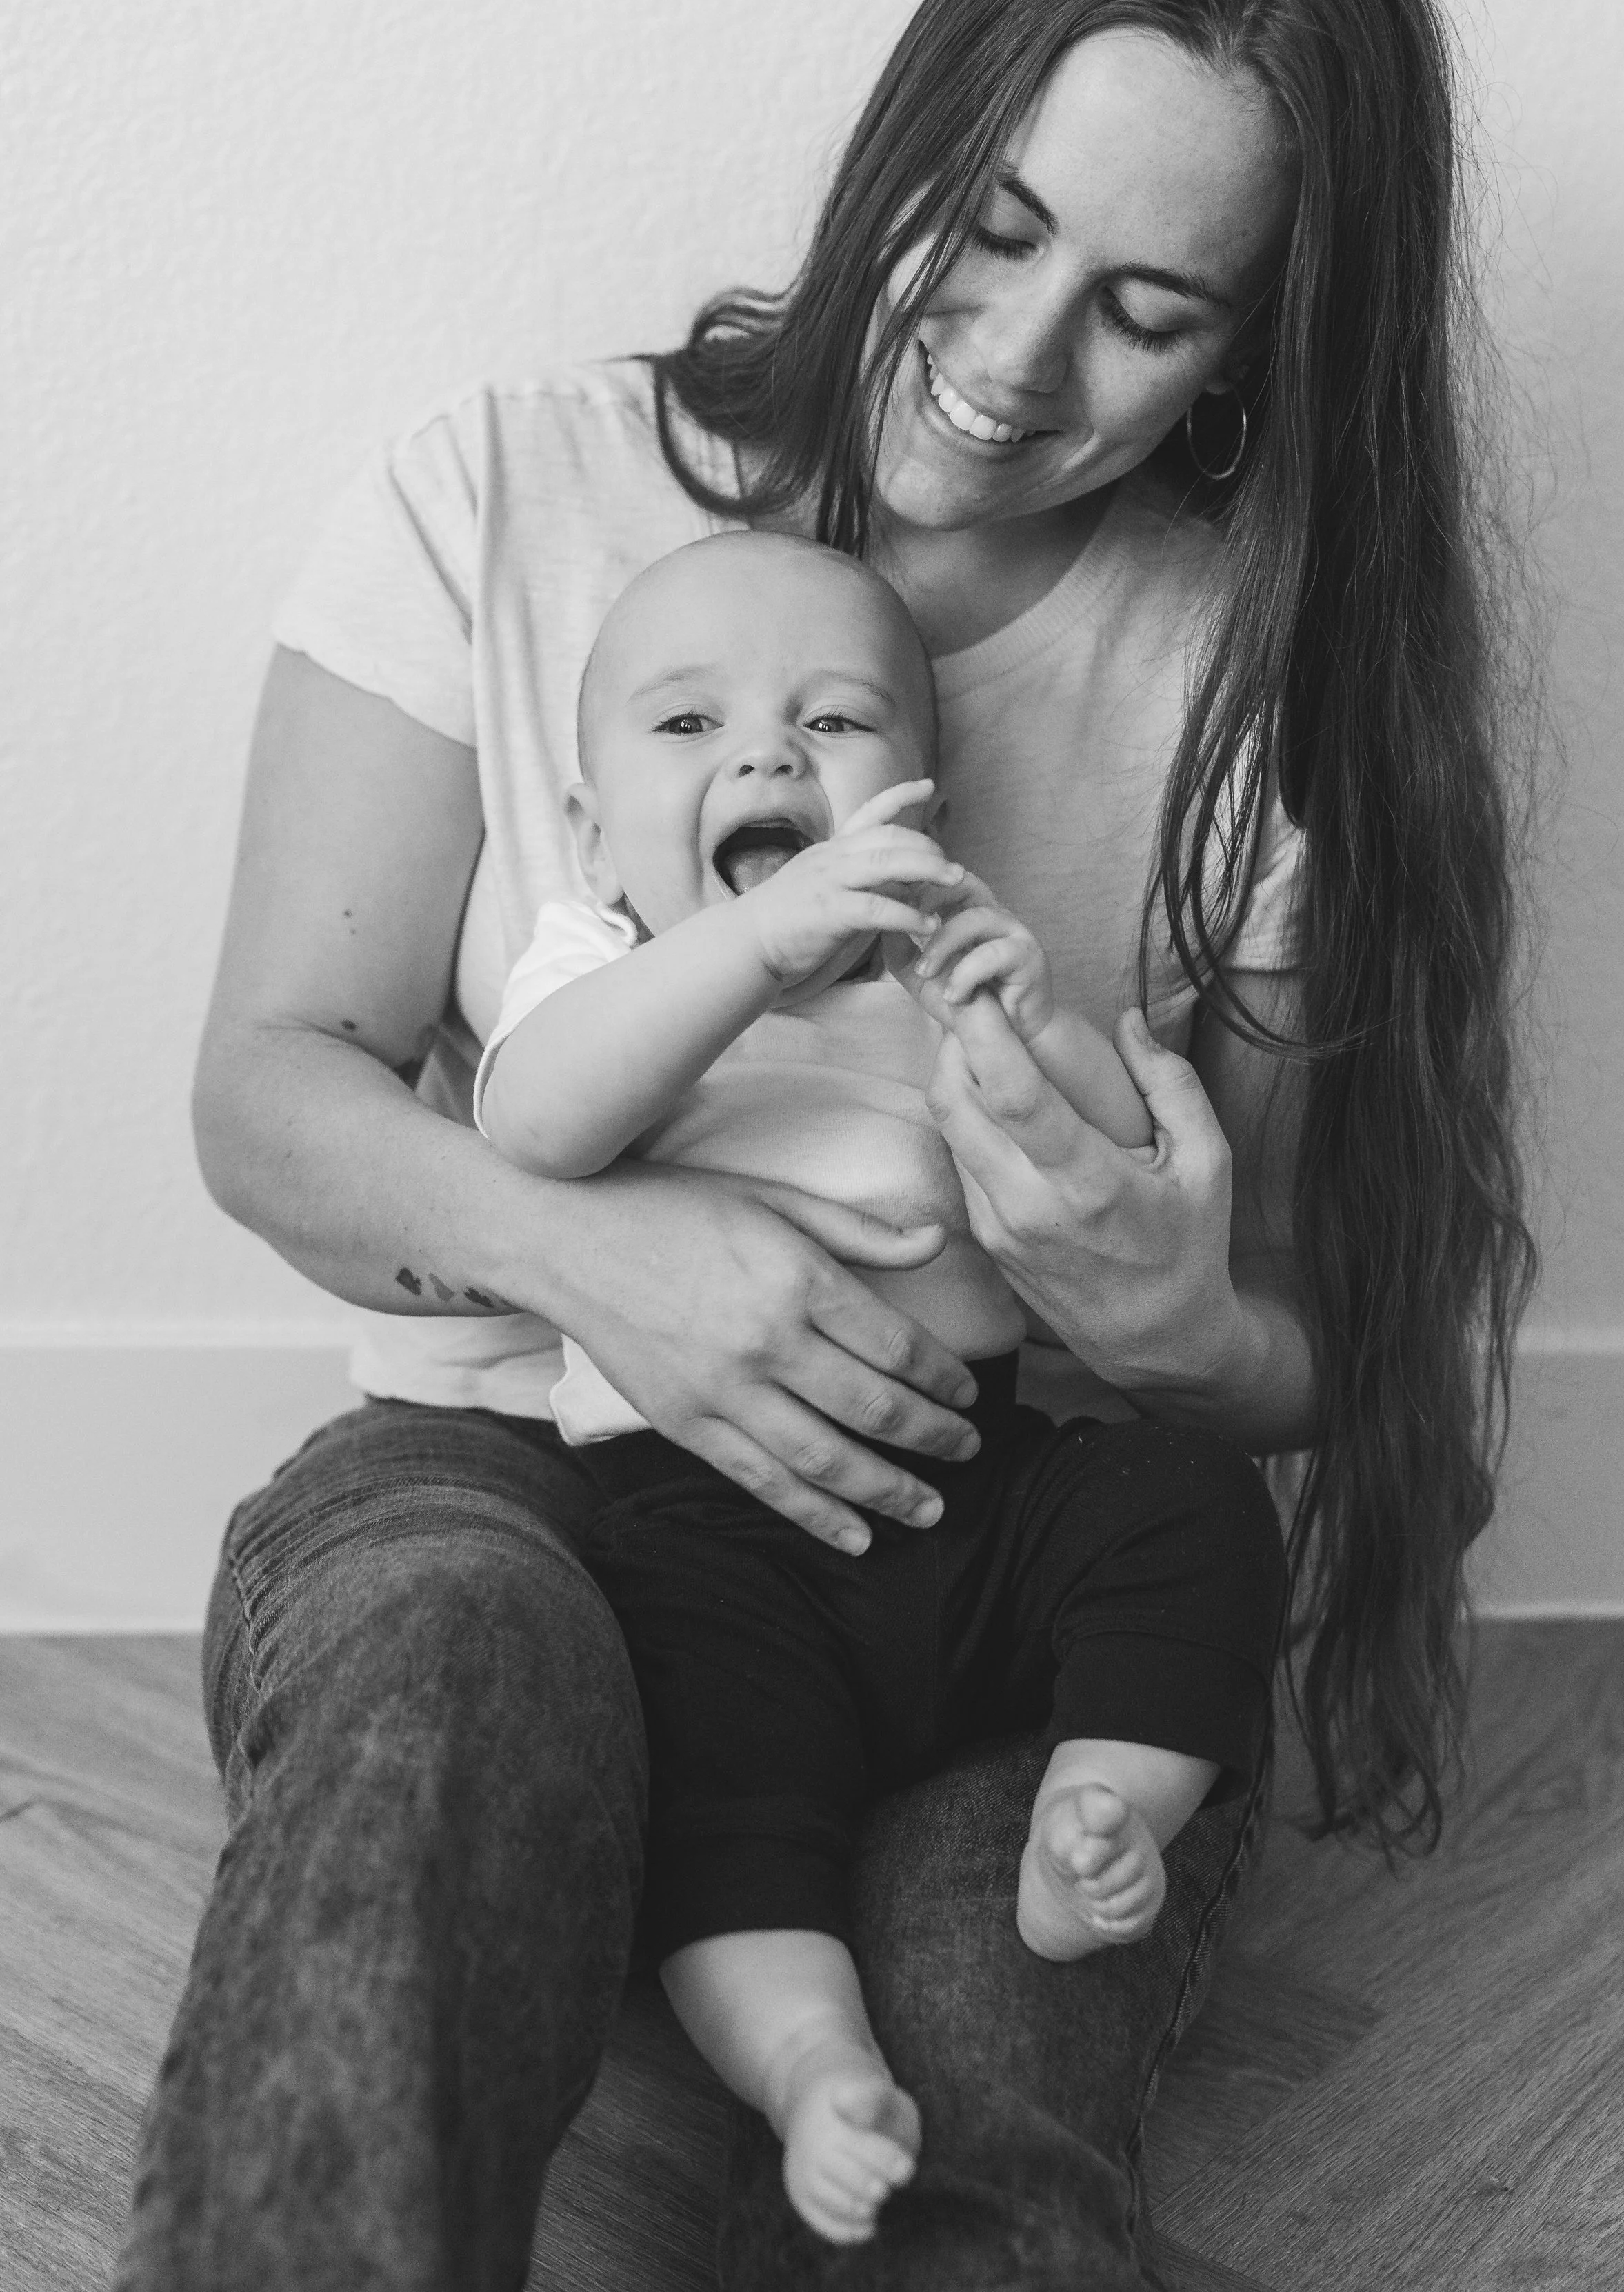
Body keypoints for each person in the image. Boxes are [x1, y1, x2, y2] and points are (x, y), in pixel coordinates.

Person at [119, 0, 1534, 2292]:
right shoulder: (503, 493)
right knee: (446, 1715)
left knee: (994, 2049)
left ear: (1254, 359)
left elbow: (1313, 1344)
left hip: (983, 1546)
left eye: (1150, 311)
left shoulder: (1255, 703)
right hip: (511, 1480)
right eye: (991, 226)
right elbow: (271, 1093)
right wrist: (614, 1268)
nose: (1013, 357)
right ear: (911, 129)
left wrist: (1172, 1314)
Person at [475, 530, 1287, 2244]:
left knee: (1181, 1504)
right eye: (686, 727)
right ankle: (805, 2061)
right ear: (584, 817)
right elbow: (538, 1123)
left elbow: (1121, 1163)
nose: (766, 756)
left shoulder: (928, 970)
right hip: (714, 1523)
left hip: (976, 1491)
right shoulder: (595, 965)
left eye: (827, 724)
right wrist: (755, 944)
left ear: (911, 804)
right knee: (714, 1787)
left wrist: (1030, 1022)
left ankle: (1101, 1811)